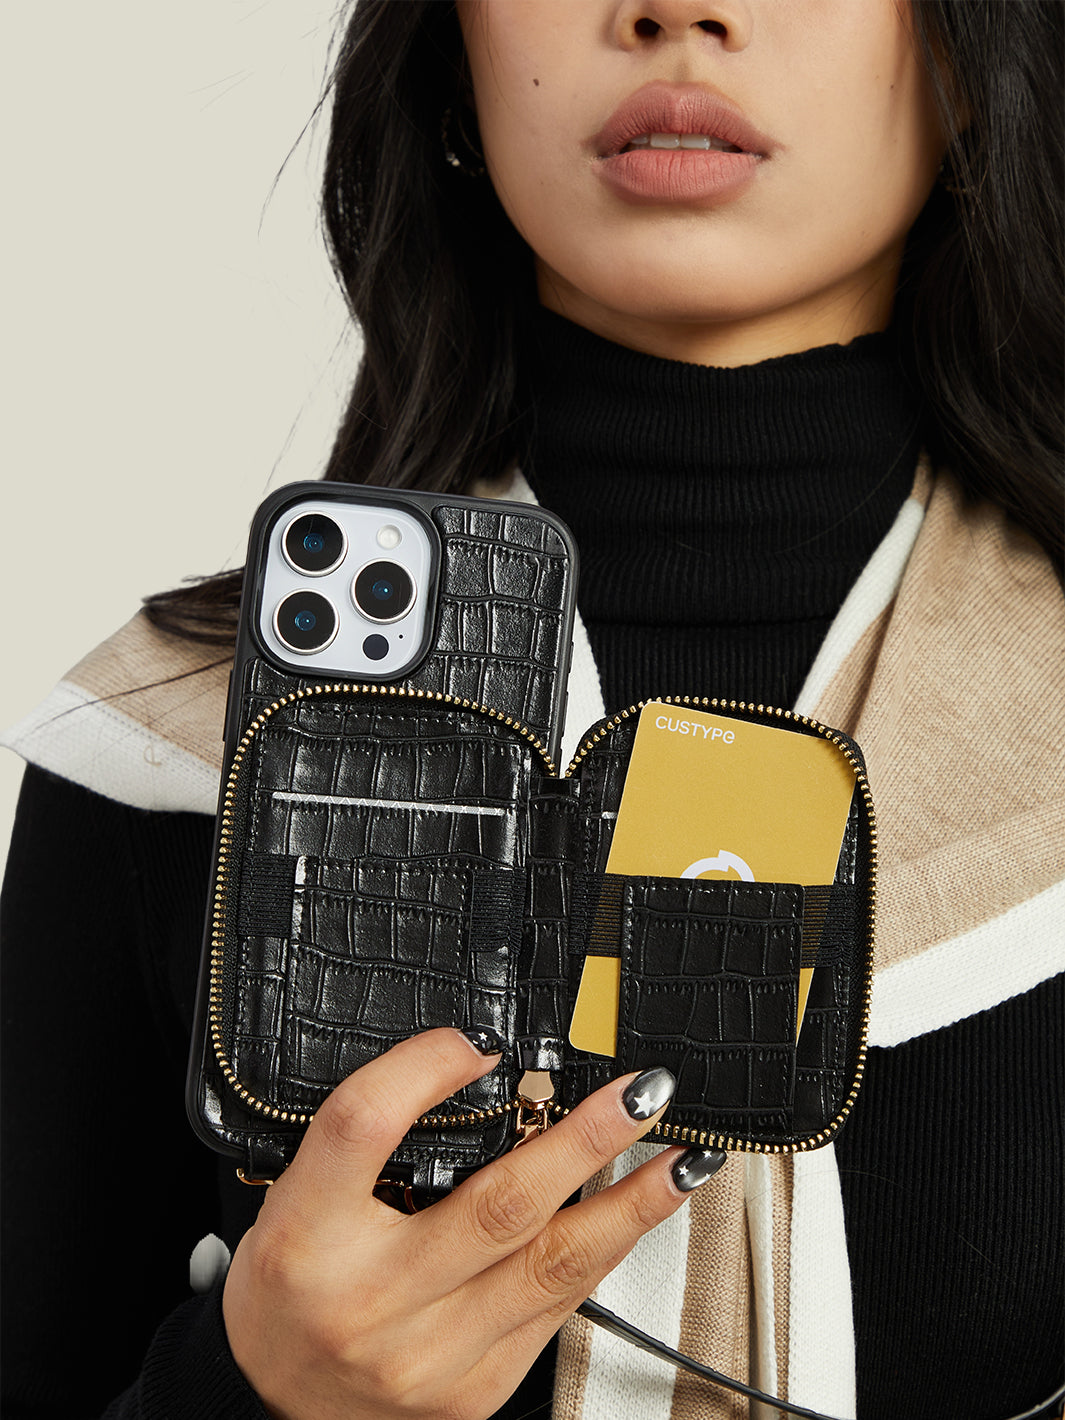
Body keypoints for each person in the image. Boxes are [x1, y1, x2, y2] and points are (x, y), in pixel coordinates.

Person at [2, 1, 1062, 1418]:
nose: (677, 8)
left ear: (970, 60)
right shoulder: (176, 744)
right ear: (456, 54)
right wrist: (254, 1391)